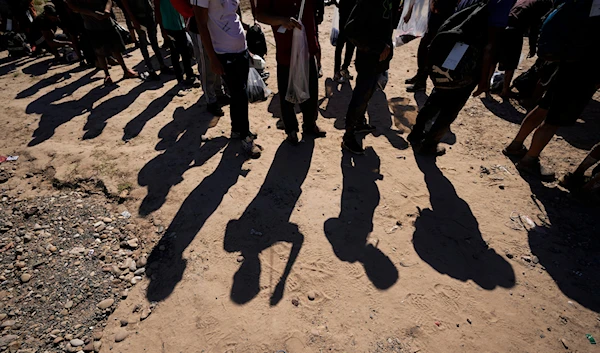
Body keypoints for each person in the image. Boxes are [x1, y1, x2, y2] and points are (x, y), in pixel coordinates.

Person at [503, 64, 599, 181]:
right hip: (585, 75)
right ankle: (529, 160)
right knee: (553, 121)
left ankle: (515, 145)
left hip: (567, 66)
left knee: (543, 107)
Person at [192, 0, 262, 158]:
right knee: (240, 93)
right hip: (223, 52)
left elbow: (233, 15)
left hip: (240, 49)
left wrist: (245, 44)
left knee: (237, 93)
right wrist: (213, 58)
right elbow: (201, 24)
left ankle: (237, 129)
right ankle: (246, 138)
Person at [255, 0, 327, 145]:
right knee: (287, 92)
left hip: (308, 45)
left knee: (312, 88)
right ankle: (291, 129)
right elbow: (260, 15)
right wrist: (282, 20)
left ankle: (310, 124)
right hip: (286, 49)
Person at [340, 0, 400, 154]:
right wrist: (378, 46)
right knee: (361, 95)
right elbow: (351, 29)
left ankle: (359, 122)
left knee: (368, 93)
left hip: (379, 59)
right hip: (368, 58)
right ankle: (348, 135)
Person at [67, 0, 139, 84]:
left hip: (107, 22)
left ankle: (125, 70)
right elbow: (72, 6)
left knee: (116, 48)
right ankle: (107, 75)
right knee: (99, 51)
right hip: (92, 26)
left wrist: (107, 10)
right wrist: (92, 13)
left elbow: (109, 0)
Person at [497, 0, 553, 97]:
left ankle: (486, 84)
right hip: (515, 30)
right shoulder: (544, 3)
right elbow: (534, 26)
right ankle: (505, 90)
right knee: (511, 62)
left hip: (503, 24)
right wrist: (533, 47)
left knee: (497, 58)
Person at [404, 0, 458, 92]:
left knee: (427, 48)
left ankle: (421, 81)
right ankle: (420, 75)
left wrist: (437, 5)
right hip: (438, 10)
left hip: (442, 10)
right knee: (424, 45)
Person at [120, 0, 171, 80]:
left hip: (149, 14)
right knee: (143, 43)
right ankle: (151, 70)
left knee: (154, 42)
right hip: (138, 17)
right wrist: (133, 19)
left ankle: (162, 66)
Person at [155, 0, 196, 85]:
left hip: (180, 25)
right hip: (169, 26)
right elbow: (157, 10)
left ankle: (189, 74)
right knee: (175, 53)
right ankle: (180, 77)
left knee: (185, 51)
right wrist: (162, 29)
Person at [332, 0, 356, 83]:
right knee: (341, 46)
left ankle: (344, 69)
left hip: (352, 16)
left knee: (350, 46)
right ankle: (337, 71)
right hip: (345, 15)